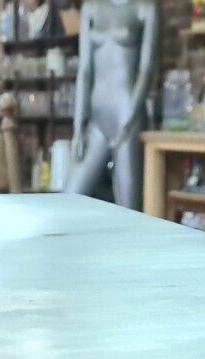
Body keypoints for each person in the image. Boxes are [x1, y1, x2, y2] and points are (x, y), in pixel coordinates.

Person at [65, 0, 158, 209]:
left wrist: (129, 118)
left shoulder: (145, 9)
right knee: (68, 197)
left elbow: (146, 68)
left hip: (128, 115)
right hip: (97, 118)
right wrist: (78, 128)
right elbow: (84, 70)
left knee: (129, 209)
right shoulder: (90, 8)